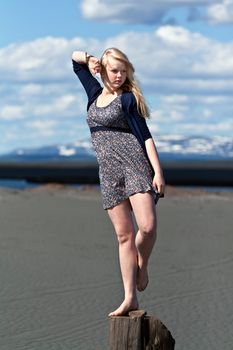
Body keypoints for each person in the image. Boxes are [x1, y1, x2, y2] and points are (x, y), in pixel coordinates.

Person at [72, 48, 165, 316]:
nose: (120, 76)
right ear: (103, 70)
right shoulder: (93, 93)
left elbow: (146, 137)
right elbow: (75, 61)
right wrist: (90, 59)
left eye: (124, 71)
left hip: (136, 166)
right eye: (115, 71)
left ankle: (142, 264)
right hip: (110, 173)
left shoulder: (127, 100)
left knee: (147, 226)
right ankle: (129, 298)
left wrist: (158, 172)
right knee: (124, 235)